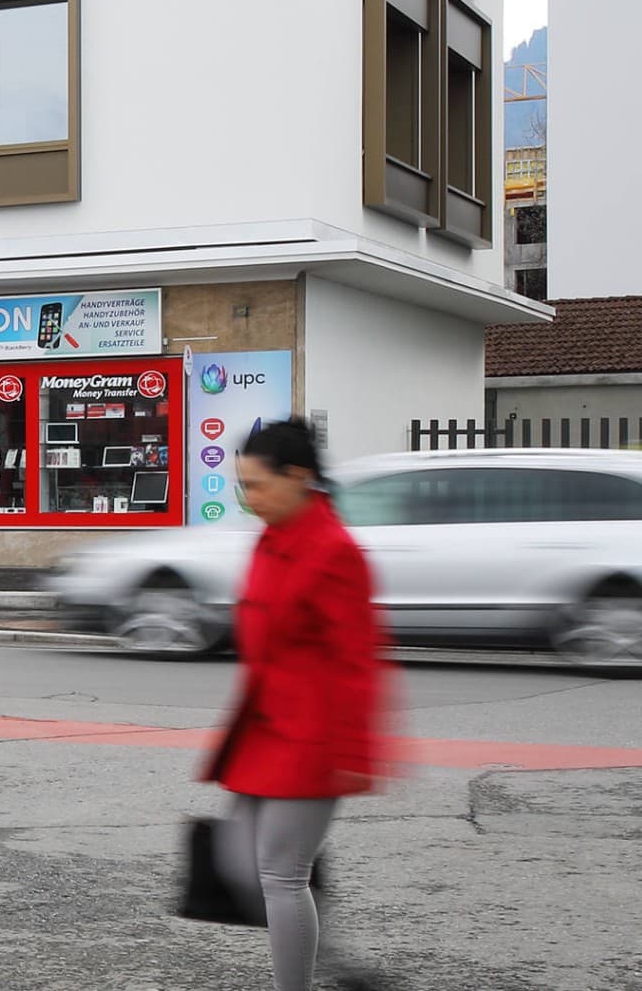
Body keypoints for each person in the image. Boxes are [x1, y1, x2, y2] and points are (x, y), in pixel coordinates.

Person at [202, 417, 388, 991]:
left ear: (299, 476)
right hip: (262, 732)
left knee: (281, 875)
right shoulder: (272, 536)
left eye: (257, 485)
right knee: (238, 863)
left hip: (311, 739)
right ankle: (337, 965)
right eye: (242, 485)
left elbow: (358, 661)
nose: (249, 497)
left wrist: (352, 752)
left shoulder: (334, 551)